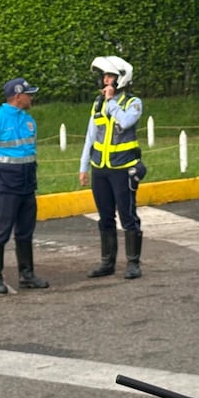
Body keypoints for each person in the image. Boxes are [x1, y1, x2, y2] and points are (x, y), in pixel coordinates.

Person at [0, 77, 49, 294]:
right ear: (17, 96)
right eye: (28, 93)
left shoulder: (28, 120)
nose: (31, 97)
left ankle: (27, 275)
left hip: (27, 183)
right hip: (7, 185)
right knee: (1, 231)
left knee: (25, 231)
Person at [77, 55, 145, 279]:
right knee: (105, 217)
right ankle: (107, 262)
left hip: (123, 168)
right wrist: (84, 166)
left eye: (110, 76)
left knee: (128, 216)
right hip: (101, 169)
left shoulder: (133, 102)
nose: (105, 80)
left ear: (121, 79)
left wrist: (111, 102)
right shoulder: (97, 103)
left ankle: (133, 263)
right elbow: (90, 136)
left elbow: (125, 122)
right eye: (104, 76)